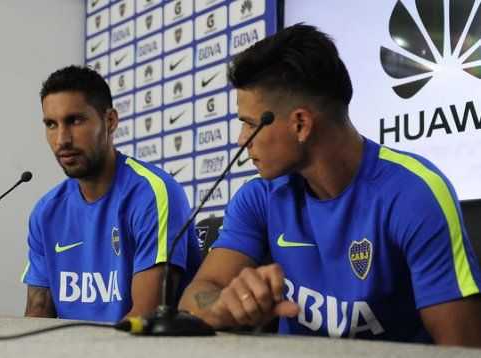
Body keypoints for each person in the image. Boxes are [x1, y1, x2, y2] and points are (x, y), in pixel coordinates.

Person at [178, 24, 481, 346]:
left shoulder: (414, 194)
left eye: (250, 125)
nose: (242, 141)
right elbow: (195, 298)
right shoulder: (258, 197)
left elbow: (460, 349)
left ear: (300, 124)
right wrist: (222, 307)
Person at [22, 66, 201, 322]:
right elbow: (37, 313)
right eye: (51, 124)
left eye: (74, 120)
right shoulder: (46, 211)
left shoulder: (152, 193)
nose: (62, 139)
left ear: (110, 121)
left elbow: (144, 318)